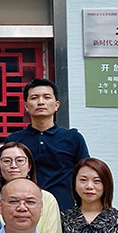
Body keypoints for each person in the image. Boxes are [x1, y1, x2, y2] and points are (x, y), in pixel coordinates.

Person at [6, 78, 89, 212]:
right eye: (34, 98)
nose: (41, 102)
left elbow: (86, 174)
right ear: (26, 106)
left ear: (56, 105)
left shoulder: (73, 138)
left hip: (65, 210)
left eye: (47, 97)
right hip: (24, 209)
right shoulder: (15, 140)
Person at [0, 142, 62, 233]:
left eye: (20, 160)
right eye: (6, 161)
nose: (13, 165)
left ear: (29, 166)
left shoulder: (47, 198)